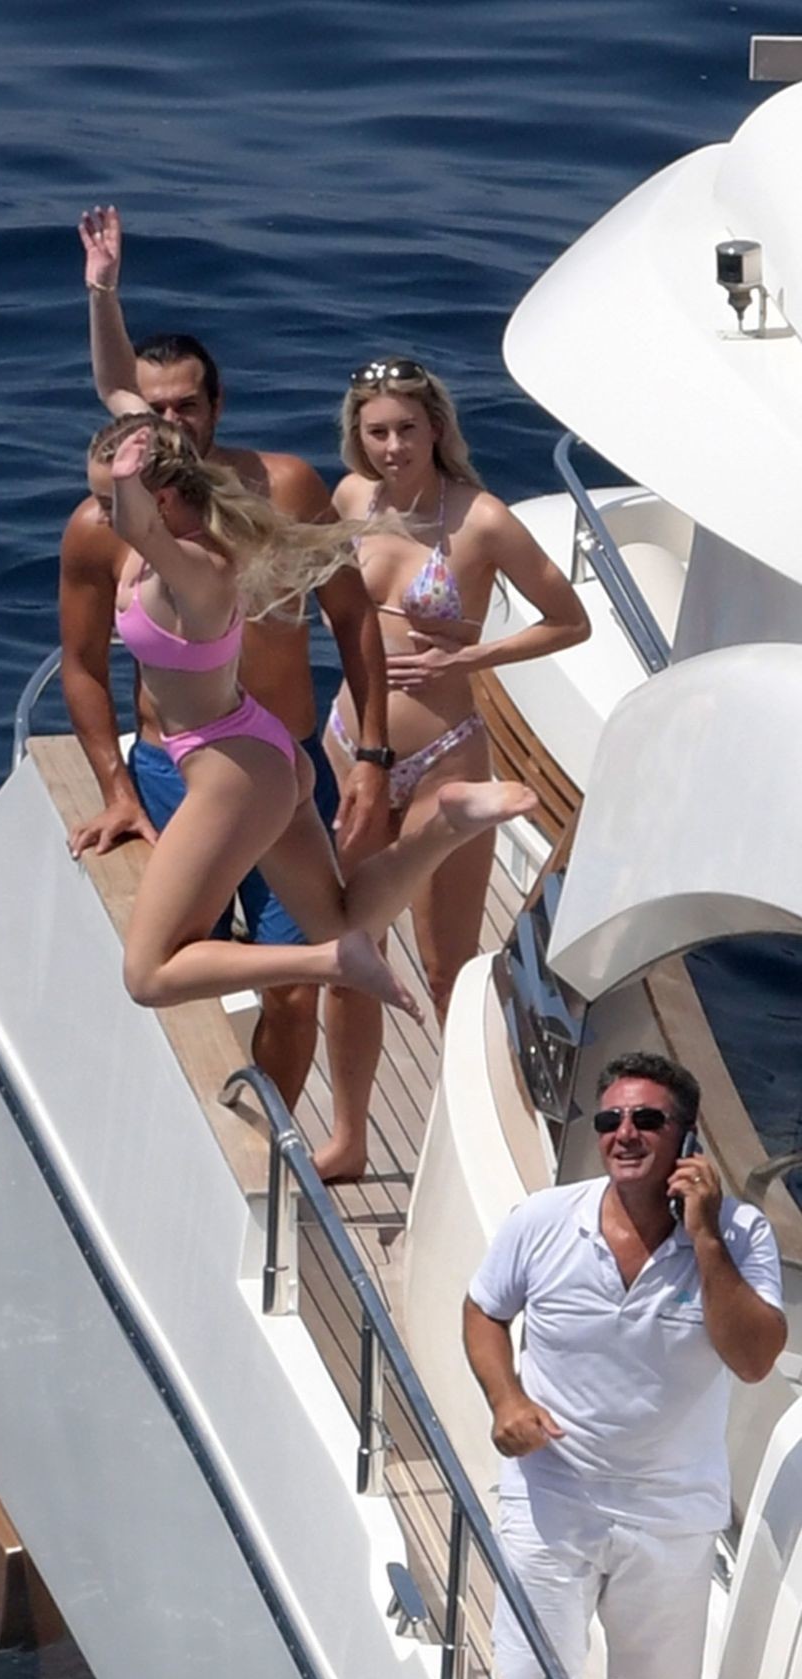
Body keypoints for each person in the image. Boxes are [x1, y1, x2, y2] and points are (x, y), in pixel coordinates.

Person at [61, 208, 393, 1120]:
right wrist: (103, 294)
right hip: (201, 762)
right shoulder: (134, 504)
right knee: (222, 954)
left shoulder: (210, 531)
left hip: (258, 762)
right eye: (153, 411)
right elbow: (111, 385)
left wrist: (372, 755)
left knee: (220, 976)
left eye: (185, 407)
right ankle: (442, 830)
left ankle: (265, 1139)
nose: (167, 420)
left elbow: (353, 615)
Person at [463, 1052, 785, 1679]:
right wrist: (506, 1398)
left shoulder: (741, 1237)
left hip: (672, 1505)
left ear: (687, 1136)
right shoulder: (543, 1221)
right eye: (610, 1120)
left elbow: (754, 1357)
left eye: (647, 1119)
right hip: (554, 1489)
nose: (625, 1133)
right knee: (529, 1673)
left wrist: (704, 1236)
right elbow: (485, 1309)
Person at [317, 357, 590, 1179]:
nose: (393, 446)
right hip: (352, 744)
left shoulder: (481, 519)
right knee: (348, 951)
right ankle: (349, 1136)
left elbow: (568, 620)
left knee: (449, 969)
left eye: (407, 428)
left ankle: (466, 1149)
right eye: (377, 431)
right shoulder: (350, 500)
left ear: (436, 426)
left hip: (443, 756)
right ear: (357, 436)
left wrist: (469, 654)